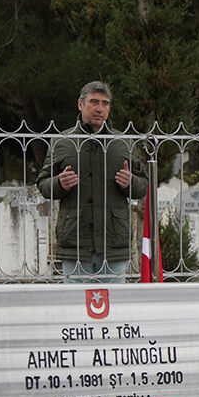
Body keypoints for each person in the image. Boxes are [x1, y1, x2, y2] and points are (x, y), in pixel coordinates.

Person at [37, 81, 148, 282]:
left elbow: (143, 187)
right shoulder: (62, 142)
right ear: (80, 104)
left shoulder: (124, 143)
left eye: (105, 103)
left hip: (113, 244)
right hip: (76, 244)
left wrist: (130, 182)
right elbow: (43, 185)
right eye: (94, 102)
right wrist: (59, 183)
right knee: (76, 300)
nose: (100, 108)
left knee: (113, 300)